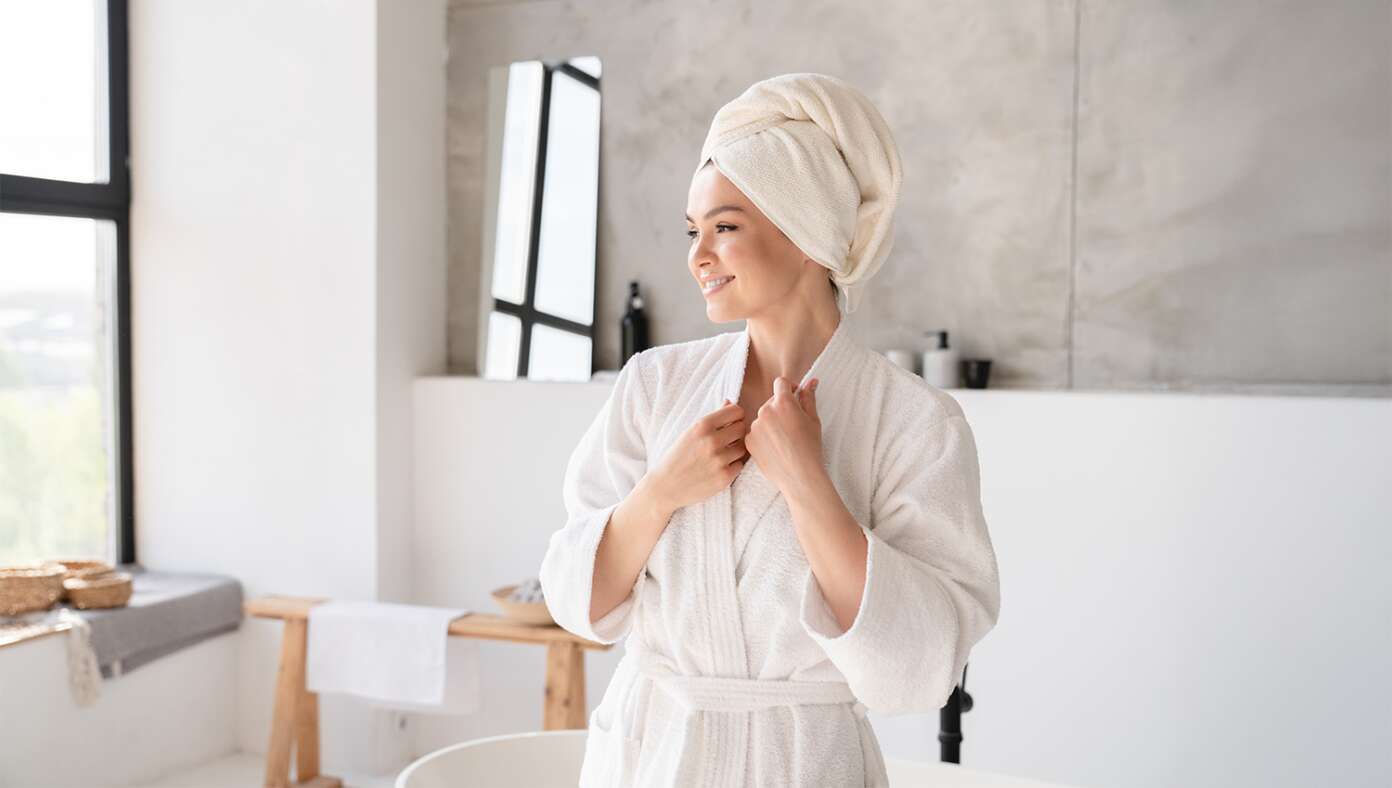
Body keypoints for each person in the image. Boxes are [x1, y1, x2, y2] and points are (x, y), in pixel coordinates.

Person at [538, 72, 1001, 788]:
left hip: (805, 764)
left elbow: (916, 669)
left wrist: (808, 483)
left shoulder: (915, 423)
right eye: (693, 231)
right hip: (651, 752)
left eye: (725, 228)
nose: (697, 256)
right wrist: (660, 492)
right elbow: (576, 600)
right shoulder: (655, 386)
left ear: (810, 233)